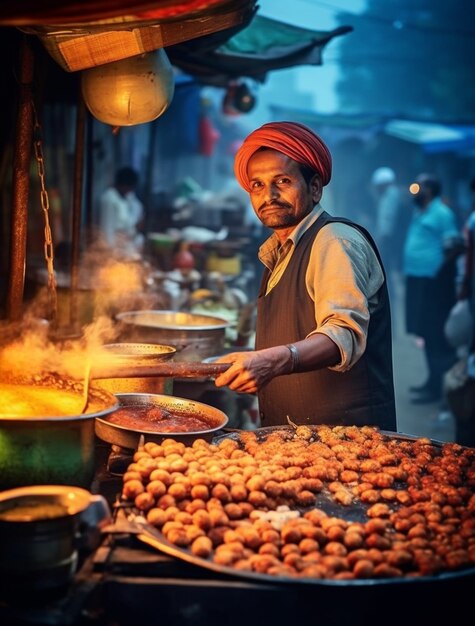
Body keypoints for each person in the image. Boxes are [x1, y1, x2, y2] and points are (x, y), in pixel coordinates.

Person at [214, 121, 396, 430]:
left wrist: (274, 360)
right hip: (296, 439)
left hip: (346, 441)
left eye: (282, 181)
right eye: (257, 185)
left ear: (314, 188)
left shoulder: (333, 240)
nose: (267, 195)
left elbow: (344, 334)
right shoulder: (281, 249)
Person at [403, 173, 462, 404]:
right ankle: (431, 381)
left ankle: (438, 387)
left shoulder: (442, 213)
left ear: (431, 190)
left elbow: (455, 247)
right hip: (419, 279)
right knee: (424, 331)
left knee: (435, 333)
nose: (415, 190)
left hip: (433, 282)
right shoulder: (422, 211)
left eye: (421, 186)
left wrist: (440, 272)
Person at [370, 167, 403, 310]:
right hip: (395, 242)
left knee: (387, 275)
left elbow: (386, 224)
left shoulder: (389, 197)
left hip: (390, 244)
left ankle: (390, 303)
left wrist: (380, 247)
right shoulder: (394, 195)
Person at [99, 166, 144, 257]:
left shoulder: (128, 197)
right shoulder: (109, 199)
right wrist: (110, 254)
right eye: (129, 188)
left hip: (127, 247)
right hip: (114, 250)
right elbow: (107, 230)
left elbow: (137, 208)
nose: (130, 191)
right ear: (122, 185)